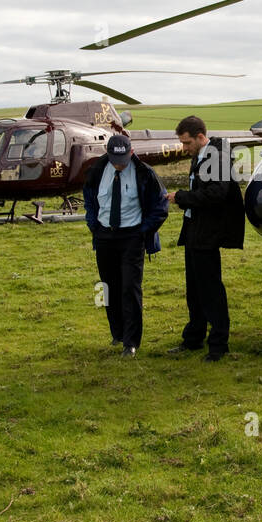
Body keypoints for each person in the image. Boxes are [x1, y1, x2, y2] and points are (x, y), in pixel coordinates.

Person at [166, 116, 245, 361]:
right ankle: (193, 339)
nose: (184, 147)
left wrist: (181, 197)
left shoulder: (216, 158)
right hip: (194, 229)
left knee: (210, 291)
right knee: (195, 290)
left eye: (187, 142)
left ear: (201, 137)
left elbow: (215, 195)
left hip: (207, 233)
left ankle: (219, 345)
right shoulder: (200, 157)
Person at [84, 133, 168, 357]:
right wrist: (93, 224)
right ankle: (117, 333)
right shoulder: (97, 170)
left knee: (130, 288)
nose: (119, 165)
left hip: (132, 237)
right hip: (104, 236)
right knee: (107, 288)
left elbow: (161, 206)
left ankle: (131, 343)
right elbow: (89, 198)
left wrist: (143, 232)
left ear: (132, 153)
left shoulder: (145, 174)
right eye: (114, 161)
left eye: (123, 161)